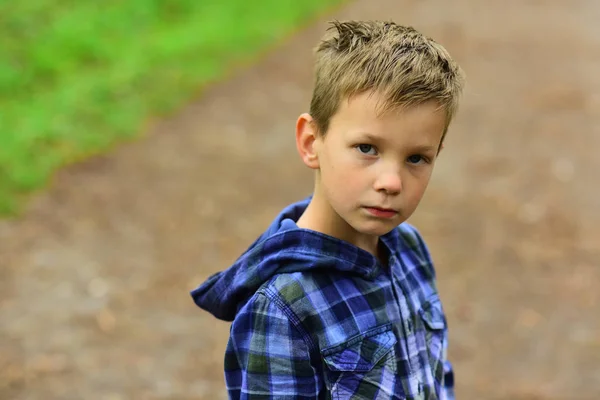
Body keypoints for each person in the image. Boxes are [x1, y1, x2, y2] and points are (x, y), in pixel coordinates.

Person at [191, 20, 465, 399]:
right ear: (311, 141)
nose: (392, 182)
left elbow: (434, 376)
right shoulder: (283, 305)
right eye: (367, 148)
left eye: (416, 158)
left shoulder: (410, 250)